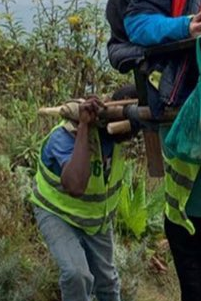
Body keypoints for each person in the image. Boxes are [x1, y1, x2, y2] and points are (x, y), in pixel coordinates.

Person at [30, 86, 138, 301]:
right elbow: (76, 185)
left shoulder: (116, 139)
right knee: (76, 274)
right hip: (56, 213)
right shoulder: (65, 136)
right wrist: (84, 128)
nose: (133, 134)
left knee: (107, 281)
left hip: (94, 220)